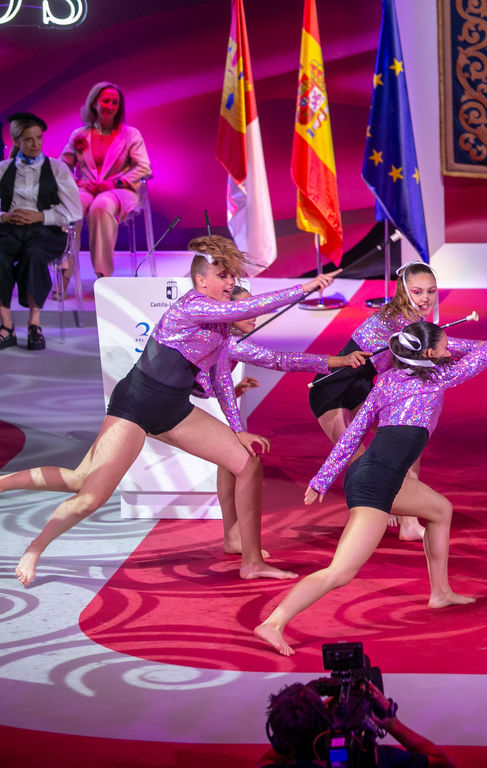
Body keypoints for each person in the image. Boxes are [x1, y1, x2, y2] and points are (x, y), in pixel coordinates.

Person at [4, 235, 335, 586]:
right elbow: (244, 309)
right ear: (200, 281)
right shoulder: (192, 306)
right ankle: (35, 547)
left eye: (231, 277)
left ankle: (250, 559)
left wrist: (238, 429)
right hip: (136, 405)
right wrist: (306, 288)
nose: (230, 283)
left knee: (246, 461)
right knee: (86, 493)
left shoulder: (221, 328)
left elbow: (221, 380)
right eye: (222, 276)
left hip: (175, 410)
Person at [255, 298, 487, 656]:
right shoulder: (440, 378)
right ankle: (274, 623)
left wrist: (322, 480)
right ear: (432, 356)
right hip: (376, 483)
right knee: (340, 572)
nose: (448, 351)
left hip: (374, 472)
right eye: (443, 348)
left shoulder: (388, 381)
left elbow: (353, 434)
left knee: (440, 510)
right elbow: (484, 357)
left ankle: (440, 593)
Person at [308, 262, 477, 542]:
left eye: (431, 291)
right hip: (332, 391)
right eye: (418, 291)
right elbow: (448, 348)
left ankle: (409, 522)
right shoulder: (398, 320)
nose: (425, 298)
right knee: (364, 467)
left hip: (362, 386)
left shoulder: (414, 318)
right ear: (403, 290)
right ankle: (365, 530)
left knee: (407, 436)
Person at [198, 286, 368, 556]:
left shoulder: (225, 338)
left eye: (256, 307)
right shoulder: (227, 341)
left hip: (182, 399)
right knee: (239, 457)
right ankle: (237, 539)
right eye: (248, 309)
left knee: (229, 458)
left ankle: (232, 535)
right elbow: (281, 360)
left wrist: (236, 389)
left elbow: (210, 381)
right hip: (167, 404)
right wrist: (339, 360)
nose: (256, 314)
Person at [0, 112, 82, 351]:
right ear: (17, 142)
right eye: (28, 139)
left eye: (38, 138)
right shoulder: (3, 169)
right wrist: (4, 216)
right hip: (9, 229)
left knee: (34, 256)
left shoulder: (57, 169)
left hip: (45, 231)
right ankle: (6, 326)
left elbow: (74, 211)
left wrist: (40, 216)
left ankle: (34, 323)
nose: (35, 144)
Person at [60, 82, 151, 282]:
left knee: (100, 206)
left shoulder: (131, 134)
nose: (110, 106)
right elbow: (61, 167)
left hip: (119, 190)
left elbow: (144, 167)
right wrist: (77, 182)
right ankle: (65, 275)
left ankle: (103, 277)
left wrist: (116, 182)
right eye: (105, 101)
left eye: (115, 103)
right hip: (87, 188)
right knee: (68, 205)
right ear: (94, 103)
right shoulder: (80, 135)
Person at [261, 681, 454, 767]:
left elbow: (265, 761)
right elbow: (442, 762)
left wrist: (289, 733)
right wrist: (393, 724)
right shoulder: (374, 758)